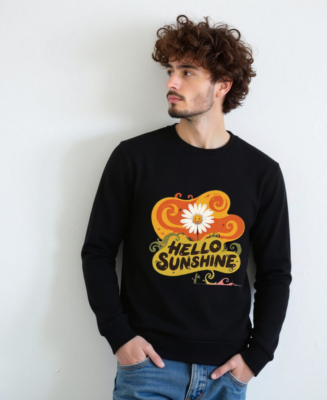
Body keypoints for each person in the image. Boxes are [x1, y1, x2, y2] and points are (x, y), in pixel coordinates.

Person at [81, 14, 292, 400]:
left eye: (187, 72)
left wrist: (258, 355)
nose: (171, 83)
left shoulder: (261, 173)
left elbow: (275, 273)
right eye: (170, 70)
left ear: (223, 85)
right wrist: (120, 337)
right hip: (149, 370)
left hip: (226, 374)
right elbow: (97, 251)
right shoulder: (134, 159)